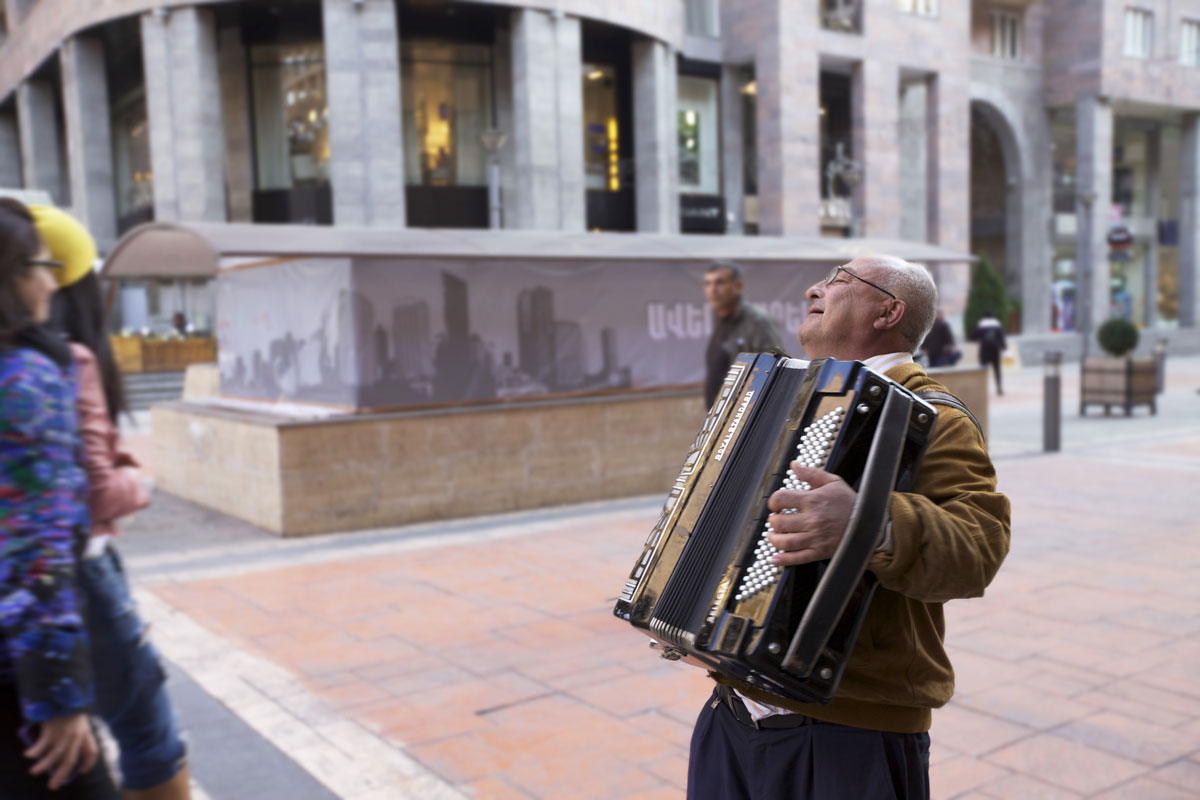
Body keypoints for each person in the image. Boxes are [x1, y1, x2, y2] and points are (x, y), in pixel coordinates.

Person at [687, 255, 1011, 800]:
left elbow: (979, 549)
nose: (814, 288)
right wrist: (695, 607)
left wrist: (869, 523)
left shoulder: (936, 417)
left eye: (839, 280)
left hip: (848, 733)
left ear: (888, 312)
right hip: (731, 713)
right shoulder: (786, 397)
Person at [31, 205, 192, 800]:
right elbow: (96, 492)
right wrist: (136, 481)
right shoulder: (67, 360)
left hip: (23, 586)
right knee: (149, 737)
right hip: (78, 577)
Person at [0, 200, 120, 798]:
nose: (52, 283)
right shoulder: (25, 378)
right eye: (40, 268)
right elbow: (37, 547)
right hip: (19, 670)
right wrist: (58, 696)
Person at [703, 261, 784, 407]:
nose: (713, 290)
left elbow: (774, 370)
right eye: (708, 284)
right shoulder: (719, 318)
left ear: (738, 286)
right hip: (719, 413)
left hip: (743, 412)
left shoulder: (757, 321)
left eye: (720, 282)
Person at [972, 309, 1007, 395]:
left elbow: (973, 337)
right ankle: (999, 388)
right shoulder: (997, 326)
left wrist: (981, 339)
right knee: (997, 370)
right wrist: (1004, 348)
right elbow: (1001, 339)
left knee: (983, 370)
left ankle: (981, 389)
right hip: (995, 351)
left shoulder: (981, 326)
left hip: (984, 350)